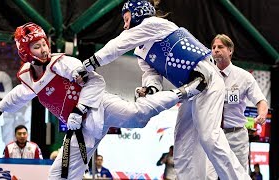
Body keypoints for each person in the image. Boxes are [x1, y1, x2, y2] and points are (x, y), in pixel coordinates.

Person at [0, 22, 204, 179]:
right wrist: (0, 107)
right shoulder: (27, 76)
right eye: (36, 46)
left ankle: (184, 92)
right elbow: (20, 94)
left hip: (99, 106)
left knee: (138, 117)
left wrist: (79, 109)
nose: (44, 49)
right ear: (25, 52)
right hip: (82, 129)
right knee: (58, 176)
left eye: (43, 44)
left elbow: (95, 82)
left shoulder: (63, 63)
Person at [80, 0, 250, 179]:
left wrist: (89, 64)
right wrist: (150, 89)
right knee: (183, 143)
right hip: (190, 91)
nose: (124, 25)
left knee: (210, 138)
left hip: (207, 81)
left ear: (138, 15)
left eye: (127, 19)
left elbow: (119, 44)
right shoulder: (141, 51)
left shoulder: (154, 24)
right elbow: (152, 75)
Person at [205, 34, 269, 179]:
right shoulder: (207, 76)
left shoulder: (244, 77)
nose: (216, 50)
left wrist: (262, 114)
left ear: (230, 50)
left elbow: (261, 101)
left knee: (237, 177)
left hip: (236, 136)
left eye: (220, 47)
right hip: (213, 135)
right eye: (213, 47)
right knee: (208, 176)